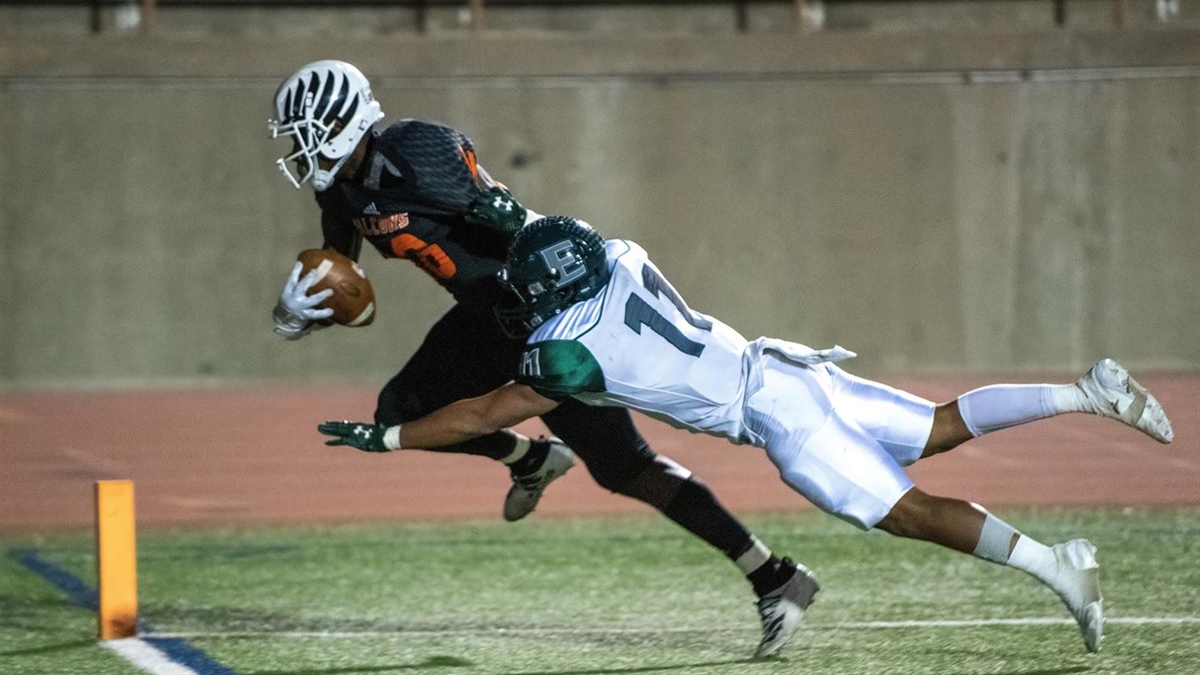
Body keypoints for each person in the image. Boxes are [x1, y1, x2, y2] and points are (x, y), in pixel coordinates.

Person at [319, 215, 1175, 655]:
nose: (525, 306)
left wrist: (389, 438)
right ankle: (1084, 390)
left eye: (534, 294)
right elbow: (582, 261)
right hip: (789, 366)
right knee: (938, 426)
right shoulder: (619, 254)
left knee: (906, 511)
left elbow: (483, 412)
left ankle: (1058, 564)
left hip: (774, 414)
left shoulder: (564, 354)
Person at [269, 60, 818, 658]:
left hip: (541, 314)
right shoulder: (341, 190)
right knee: (399, 412)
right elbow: (340, 275)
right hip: (481, 316)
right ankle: (531, 459)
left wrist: (567, 309)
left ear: (342, 122)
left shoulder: (417, 151)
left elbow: (513, 219)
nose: (298, 149)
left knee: (625, 469)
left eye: (304, 132)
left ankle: (776, 578)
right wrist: (297, 313)